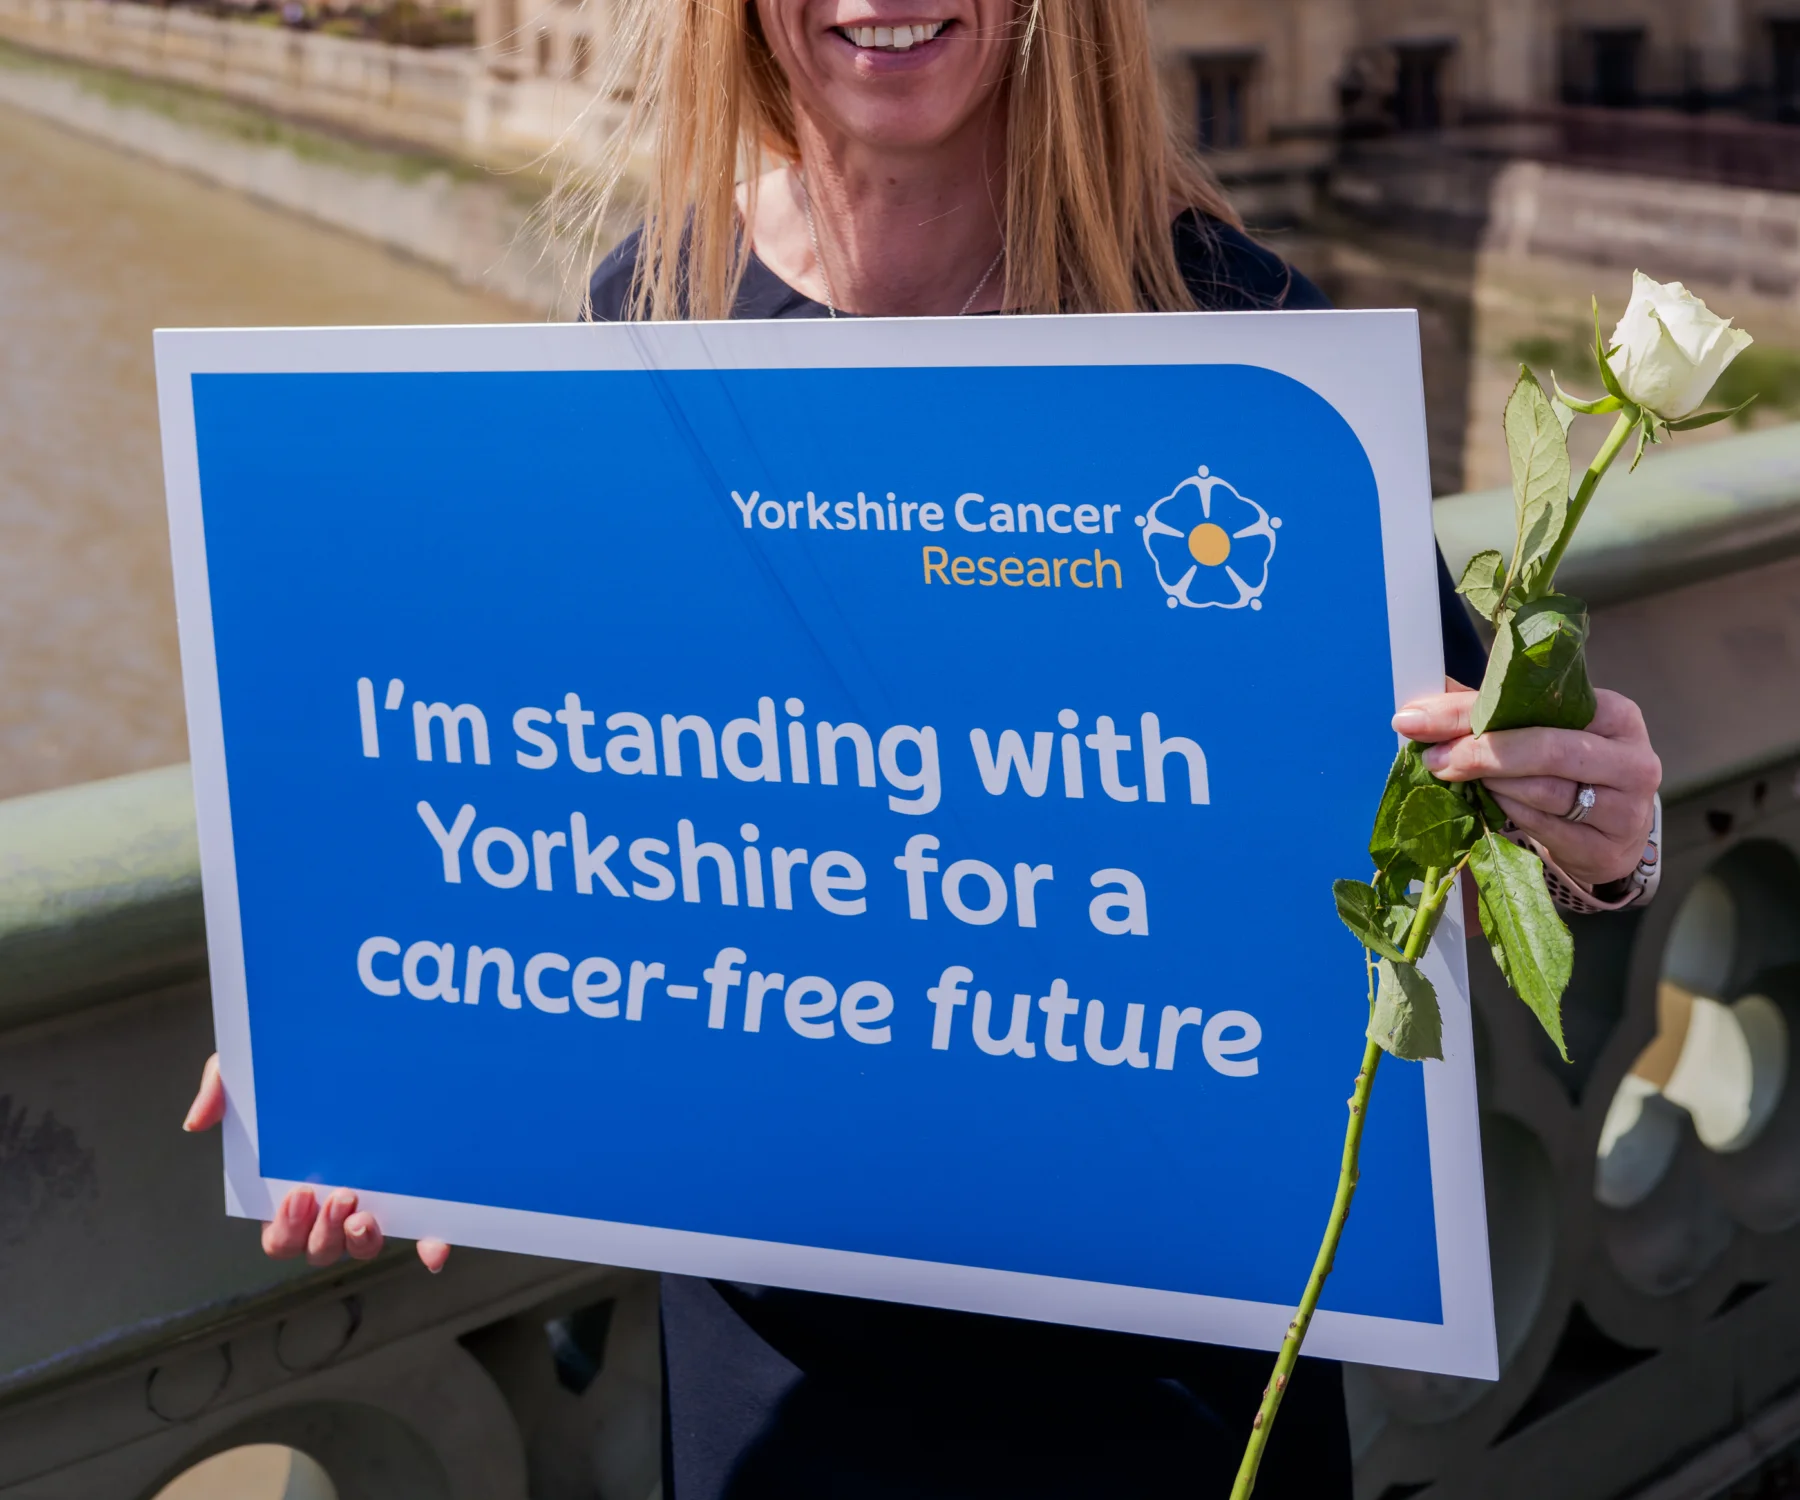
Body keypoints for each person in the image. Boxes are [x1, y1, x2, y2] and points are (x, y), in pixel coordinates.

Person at [184, 2, 1665, 1493]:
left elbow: (1463, 813)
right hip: (780, 1358)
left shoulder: (1228, 335)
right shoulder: (657, 301)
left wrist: (1598, 836)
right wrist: (357, 1041)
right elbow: (573, 789)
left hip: (1158, 1357)